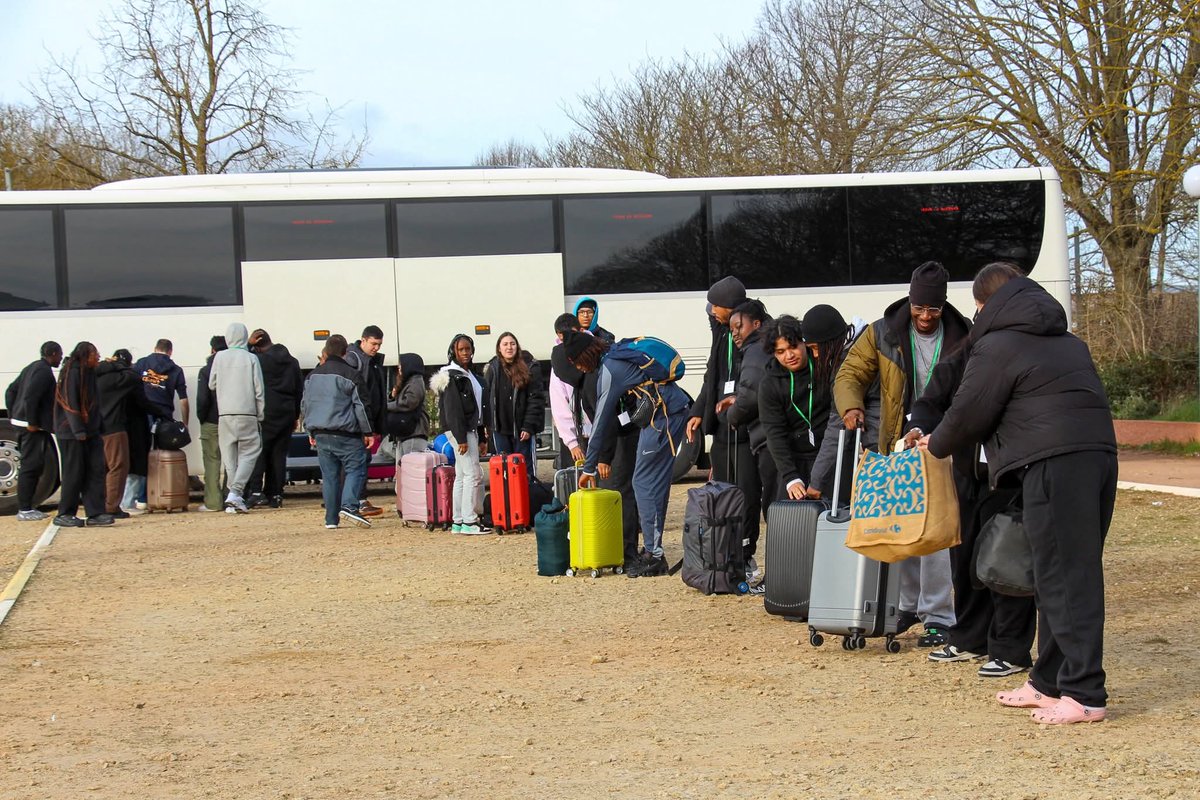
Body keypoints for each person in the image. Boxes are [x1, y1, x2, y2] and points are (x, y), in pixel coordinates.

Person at [920, 264, 1117, 725]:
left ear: (987, 304)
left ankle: (1085, 693)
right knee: (1053, 576)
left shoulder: (998, 344)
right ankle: (1048, 682)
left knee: (1069, 579)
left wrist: (939, 441)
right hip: (1095, 460)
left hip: (1054, 464)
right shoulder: (1068, 341)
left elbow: (970, 409)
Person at [833, 262, 968, 647]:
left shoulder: (963, 336)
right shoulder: (883, 333)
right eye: (919, 308)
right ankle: (909, 606)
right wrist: (851, 407)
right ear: (909, 301)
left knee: (936, 529)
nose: (925, 317)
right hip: (897, 439)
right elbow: (849, 374)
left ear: (944, 306)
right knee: (902, 518)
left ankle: (939, 614)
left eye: (934, 310)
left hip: (942, 441)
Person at [903, 336, 1036, 678]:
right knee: (964, 558)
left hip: (1008, 473)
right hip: (967, 472)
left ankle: (1011, 648)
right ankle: (971, 637)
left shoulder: (1018, 353)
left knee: (1004, 560)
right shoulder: (964, 354)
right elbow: (932, 399)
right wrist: (919, 426)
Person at [564, 330, 690, 577]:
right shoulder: (615, 353)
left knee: (642, 482)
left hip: (662, 418)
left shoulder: (609, 370)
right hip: (670, 411)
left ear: (584, 356)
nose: (578, 367)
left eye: (576, 361)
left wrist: (589, 467)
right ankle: (654, 550)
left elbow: (600, 422)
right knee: (657, 482)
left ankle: (654, 555)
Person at [722, 299, 775, 582]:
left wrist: (733, 413)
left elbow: (752, 392)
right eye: (731, 329)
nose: (735, 333)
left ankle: (779, 571)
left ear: (756, 324)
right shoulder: (761, 347)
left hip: (768, 436)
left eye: (738, 326)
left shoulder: (755, 350)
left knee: (775, 505)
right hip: (769, 434)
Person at [300, 335, 374, 529]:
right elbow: (361, 406)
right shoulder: (351, 375)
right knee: (355, 469)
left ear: (325, 351)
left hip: (320, 433)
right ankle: (349, 506)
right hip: (346, 433)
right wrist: (368, 431)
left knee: (330, 476)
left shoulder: (311, 376)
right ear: (345, 353)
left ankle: (331, 519)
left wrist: (310, 431)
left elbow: (305, 405)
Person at [757, 314, 829, 503]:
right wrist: (790, 477)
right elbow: (774, 433)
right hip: (793, 457)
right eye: (780, 352)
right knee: (791, 519)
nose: (789, 356)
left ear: (804, 343)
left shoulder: (824, 368)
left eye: (793, 347)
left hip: (828, 455)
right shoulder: (769, 384)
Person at [685, 276, 748, 483]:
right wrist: (698, 411)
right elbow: (710, 378)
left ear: (730, 307)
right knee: (722, 491)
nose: (712, 311)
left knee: (745, 493)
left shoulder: (753, 336)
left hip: (745, 431)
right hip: (721, 430)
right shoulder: (721, 334)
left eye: (716, 306)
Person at [433, 334, 491, 534]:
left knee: (462, 474)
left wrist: (482, 437)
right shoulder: (453, 376)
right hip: (462, 431)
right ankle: (470, 521)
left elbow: (479, 409)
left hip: (469, 430)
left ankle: (458, 520)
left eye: (468, 349)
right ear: (453, 352)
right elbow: (453, 409)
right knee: (473, 474)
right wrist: (460, 438)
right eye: (461, 349)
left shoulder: (468, 375)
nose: (466, 353)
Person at [53, 342, 111, 527]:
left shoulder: (89, 373)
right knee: (73, 473)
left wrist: (98, 427)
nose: (98, 357)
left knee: (95, 470)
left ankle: (95, 512)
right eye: (95, 354)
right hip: (71, 433)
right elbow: (70, 403)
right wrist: (78, 429)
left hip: (91, 431)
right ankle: (65, 513)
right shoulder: (72, 373)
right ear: (86, 355)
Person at [208, 322, 265, 514]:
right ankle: (235, 492)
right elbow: (259, 389)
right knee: (250, 452)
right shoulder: (251, 358)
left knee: (229, 458)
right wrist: (261, 413)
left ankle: (234, 497)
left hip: (225, 414)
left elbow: (211, 384)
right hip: (247, 413)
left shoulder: (219, 357)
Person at [245, 329, 303, 509]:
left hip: (265, 412)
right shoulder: (292, 362)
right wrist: (295, 415)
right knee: (279, 455)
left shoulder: (258, 361)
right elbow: (298, 390)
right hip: (286, 412)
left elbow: (241, 364)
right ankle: (276, 493)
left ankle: (256, 491)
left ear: (257, 347)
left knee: (260, 452)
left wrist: (247, 345)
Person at [129, 339, 189, 510]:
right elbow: (183, 400)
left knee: (143, 454)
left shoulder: (141, 363)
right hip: (164, 416)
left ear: (155, 348)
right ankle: (161, 492)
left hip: (143, 414)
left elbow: (132, 386)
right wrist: (184, 423)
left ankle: (142, 498)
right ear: (170, 351)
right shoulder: (176, 370)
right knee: (162, 456)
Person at [9, 341, 62, 521]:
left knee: (35, 465)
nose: (61, 358)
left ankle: (27, 507)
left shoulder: (32, 367)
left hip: (23, 423)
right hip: (31, 427)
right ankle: (24, 509)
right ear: (53, 353)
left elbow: (11, 391)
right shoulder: (43, 371)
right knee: (31, 466)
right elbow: (32, 396)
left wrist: (13, 415)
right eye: (59, 354)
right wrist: (30, 421)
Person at [484, 332, 546, 476]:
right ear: (499, 348)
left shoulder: (529, 366)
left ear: (517, 347)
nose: (509, 347)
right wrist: (488, 425)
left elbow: (536, 399)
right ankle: (508, 498)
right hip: (500, 430)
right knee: (505, 471)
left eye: (512, 344)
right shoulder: (493, 368)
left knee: (525, 470)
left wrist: (528, 426)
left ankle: (528, 497)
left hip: (522, 430)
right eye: (505, 344)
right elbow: (487, 399)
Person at [95, 349, 142, 519]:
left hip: (96, 427)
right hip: (114, 427)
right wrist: (120, 366)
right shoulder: (119, 378)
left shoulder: (96, 376)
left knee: (103, 468)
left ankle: (99, 504)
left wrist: (111, 364)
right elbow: (135, 377)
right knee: (118, 466)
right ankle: (112, 506)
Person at [345, 325, 386, 517]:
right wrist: (367, 426)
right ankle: (357, 500)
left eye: (378, 344)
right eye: (373, 344)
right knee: (358, 462)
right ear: (363, 340)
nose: (376, 348)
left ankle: (350, 500)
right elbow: (362, 397)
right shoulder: (356, 361)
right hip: (359, 422)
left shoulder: (369, 361)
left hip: (364, 421)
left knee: (359, 461)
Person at [195, 336, 227, 512]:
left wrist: (202, 418)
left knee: (212, 461)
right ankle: (231, 497)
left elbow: (202, 399)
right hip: (231, 419)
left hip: (211, 420)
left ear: (212, 350)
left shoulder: (206, 370)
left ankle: (214, 502)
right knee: (231, 461)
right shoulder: (234, 368)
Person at [386, 353, 431, 459]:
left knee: (410, 467)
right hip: (406, 433)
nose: (399, 369)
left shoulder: (416, 382)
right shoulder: (408, 382)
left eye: (401, 366)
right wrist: (393, 395)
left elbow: (408, 403)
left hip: (414, 432)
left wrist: (387, 406)